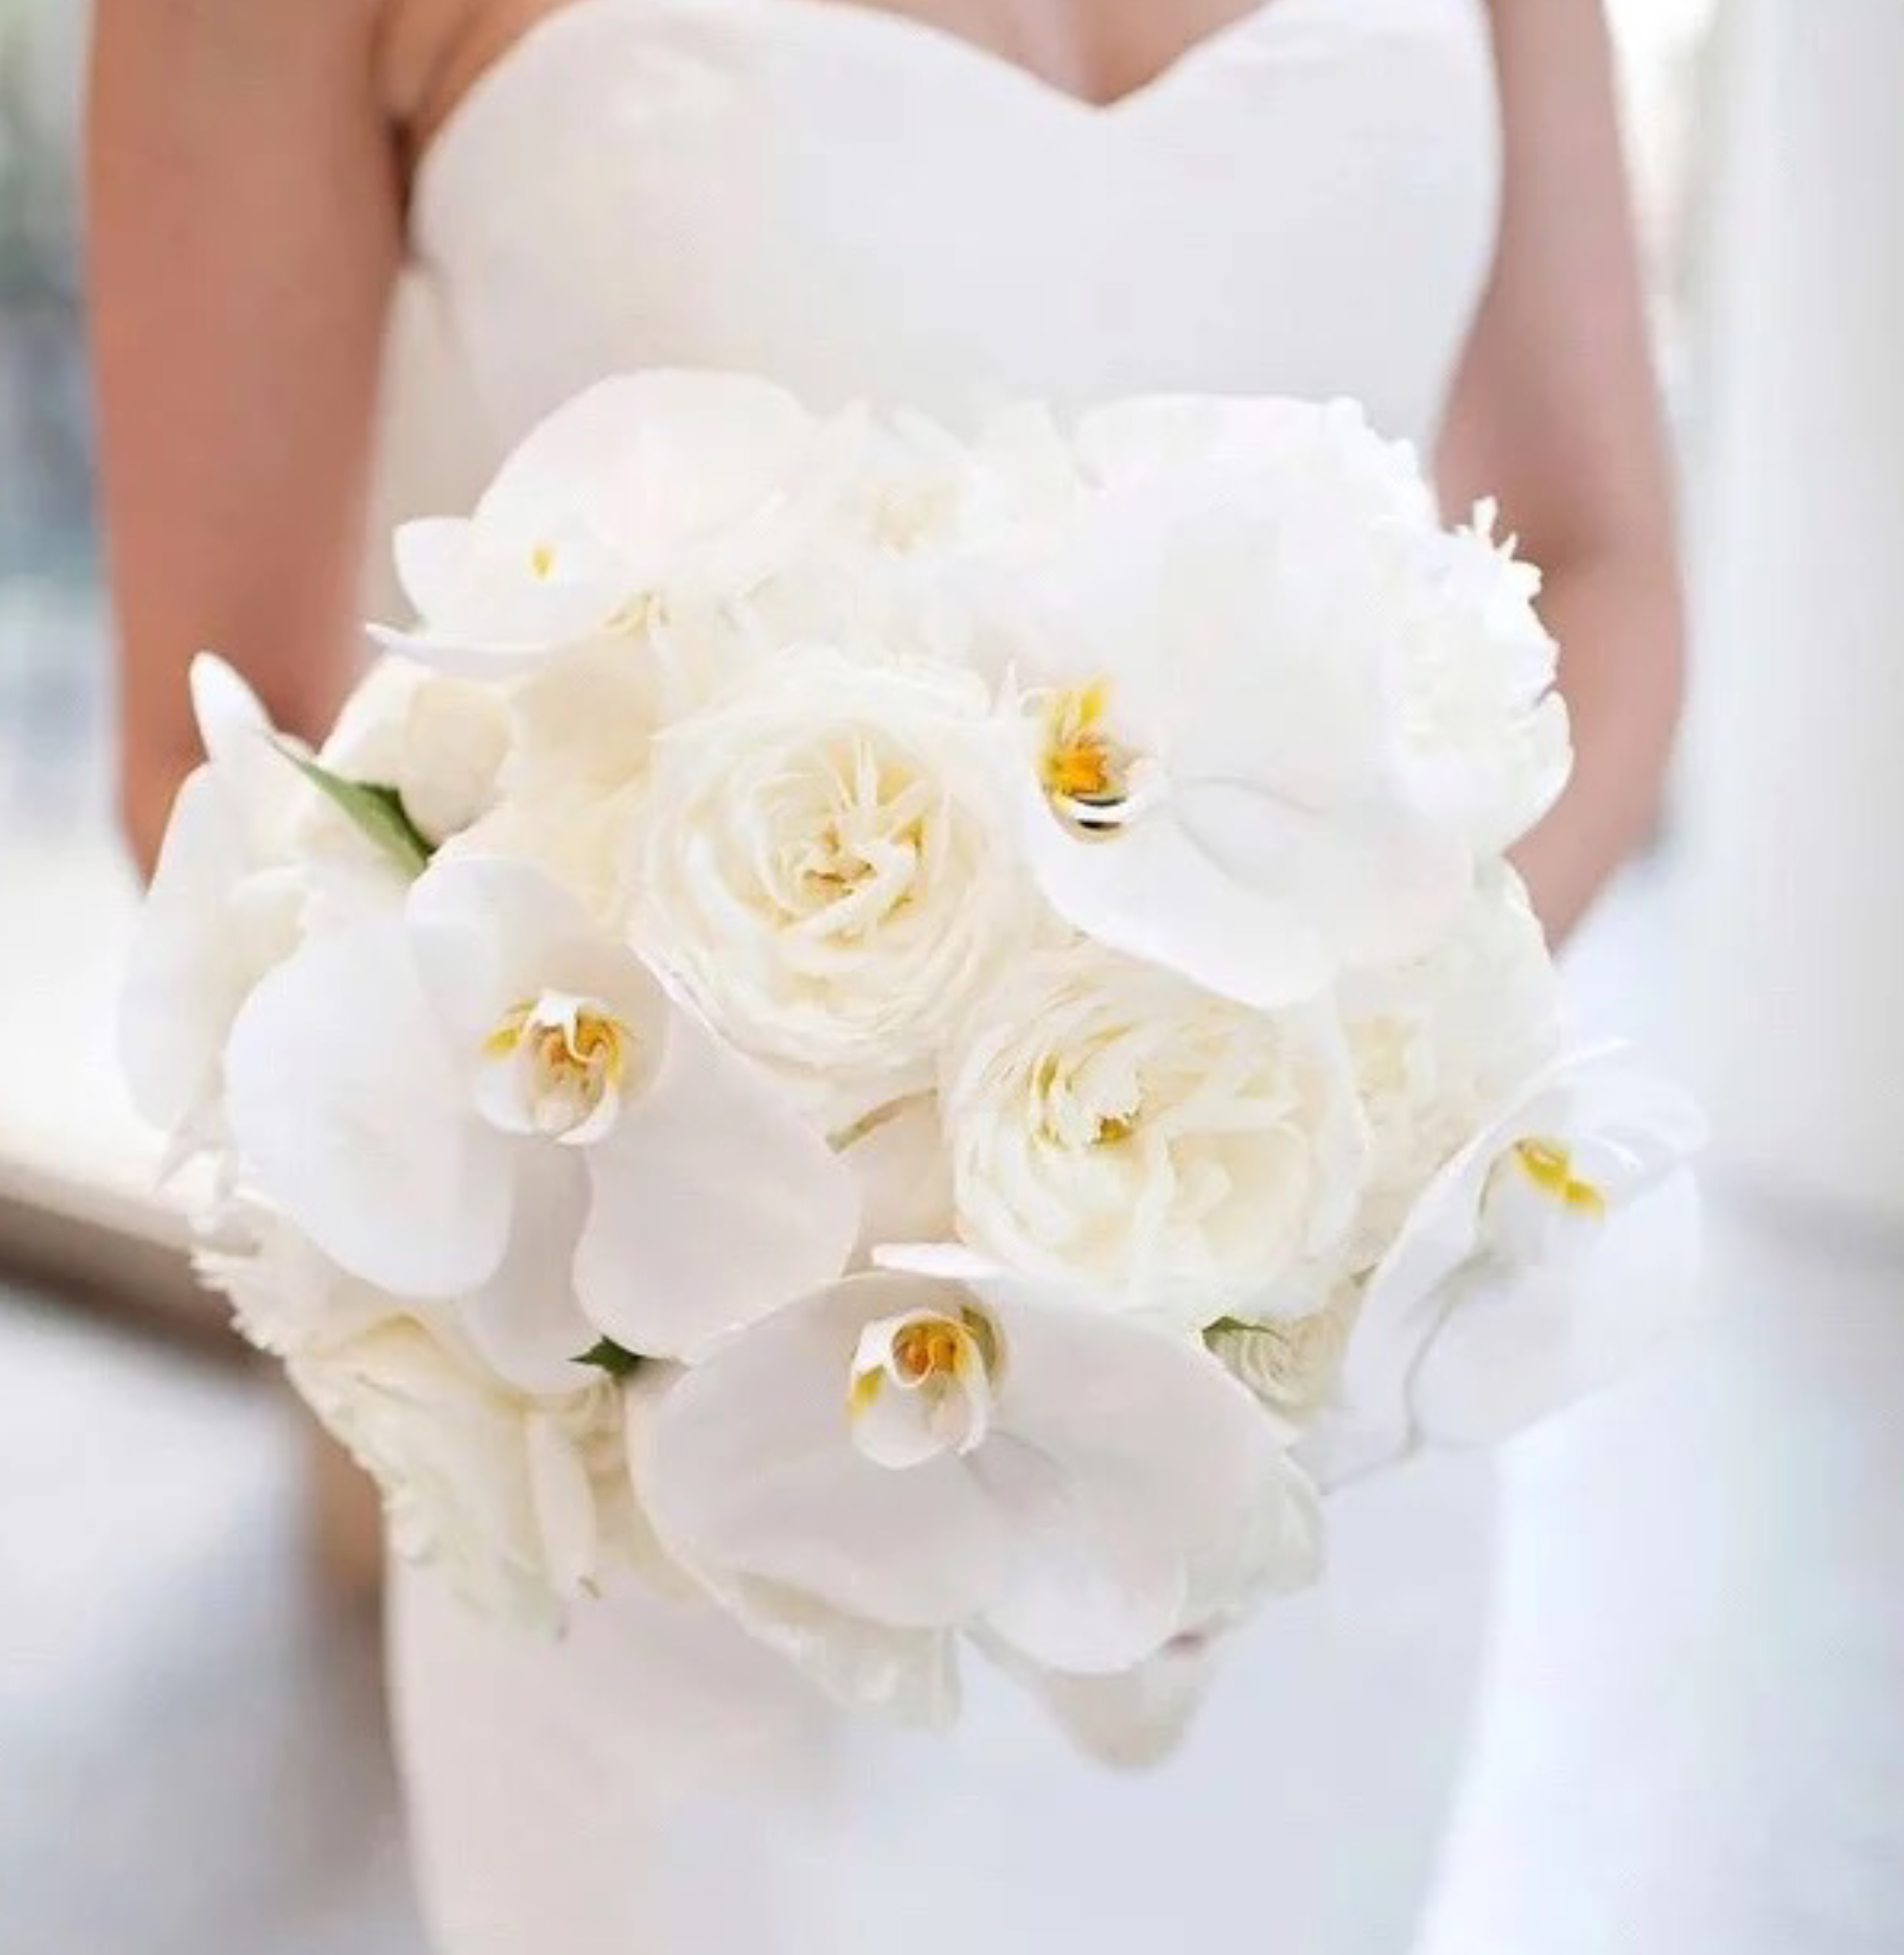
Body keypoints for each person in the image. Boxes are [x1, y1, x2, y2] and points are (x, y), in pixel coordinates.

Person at [92, 3, 1684, 1949]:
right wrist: (768, 1216)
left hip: (1320, 1429)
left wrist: (1331, 1155)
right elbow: (227, 753)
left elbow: (1595, 564)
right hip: (728, 1502)